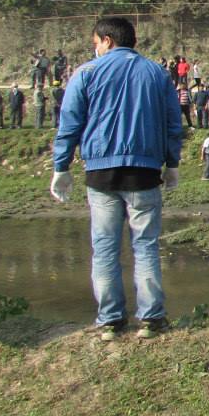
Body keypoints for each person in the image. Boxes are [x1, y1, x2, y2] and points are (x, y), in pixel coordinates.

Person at [50, 17, 182, 340]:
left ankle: (110, 320)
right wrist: (172, 163)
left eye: (95, 42)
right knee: (146, 245)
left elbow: (70, 123)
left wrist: (61, 166)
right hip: (144, 171)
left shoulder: (86, 73)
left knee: (105, 248)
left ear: (107, 40)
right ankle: (151, 318)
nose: (94, 48)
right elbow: (172, 122)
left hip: (101, 172)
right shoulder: (157, 73)